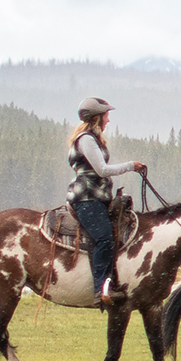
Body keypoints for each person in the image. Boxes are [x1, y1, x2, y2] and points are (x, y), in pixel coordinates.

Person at [67, 96, 147, 306]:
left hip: (97, 197)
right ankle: (101, 289)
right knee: (104, 238)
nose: (108, 120)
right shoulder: (86, 139)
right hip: (86, 198)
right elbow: (101, 170)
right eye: (106, 116)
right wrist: (130, 165)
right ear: (97, 118)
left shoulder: (92, 138)